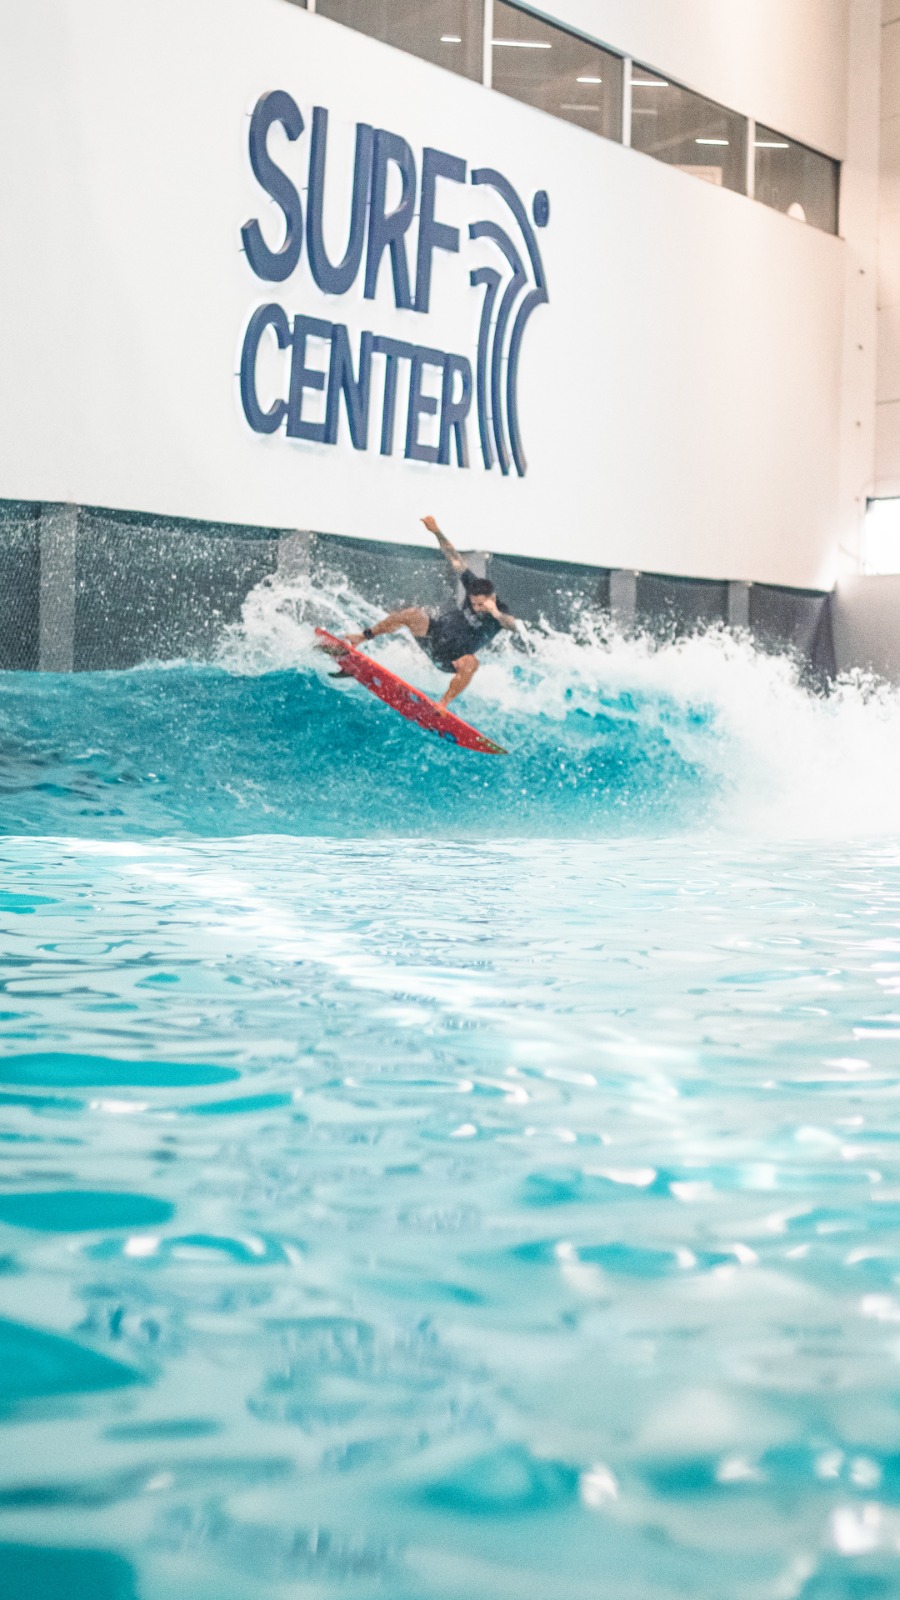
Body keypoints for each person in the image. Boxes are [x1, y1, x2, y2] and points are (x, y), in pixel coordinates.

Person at [345, 516, 518, 709]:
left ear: (492, 598)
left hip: (451, 658)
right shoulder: (473, 585)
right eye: (473, 603)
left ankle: (442, 705)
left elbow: (513, 625)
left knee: (471, 663)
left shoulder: (500, 613)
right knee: (412, 613)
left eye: (480, 605)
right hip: (432, 636)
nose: (476, 607)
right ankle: (362, 637)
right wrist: (436, 531)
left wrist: (494, 612)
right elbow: (454, 557)